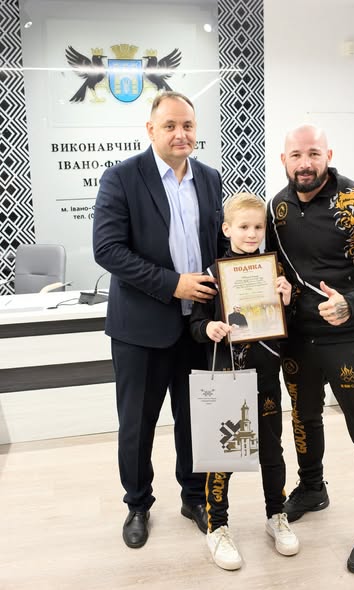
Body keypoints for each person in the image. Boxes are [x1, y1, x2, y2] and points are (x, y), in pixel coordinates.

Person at [266, 124, 354, 575]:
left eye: (313, 153)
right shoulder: (278, 206)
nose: (304, 163)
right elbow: (275, 265)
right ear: (284, 159)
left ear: (328, 154)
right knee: (304, 418)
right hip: (297, 340)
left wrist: (353, 301)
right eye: (296, 155)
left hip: (350, 340)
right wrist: (277, 286)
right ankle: (312, 488)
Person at [93, 91, 228, 548]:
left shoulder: (209, 178)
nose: (180, 133)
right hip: (141, 329)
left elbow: (218, 247)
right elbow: (108, 250)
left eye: (187, 125)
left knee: (195, 420)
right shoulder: (122, 178)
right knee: (138, 424)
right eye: (170, 125)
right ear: (151, 130)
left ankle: (194, 497)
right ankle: (137, 504)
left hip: (198, 327)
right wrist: (173, 284)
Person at [190, 192, 299, 571]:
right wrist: (209, 328)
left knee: (271, 450)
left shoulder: (274, 272)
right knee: (223, 455)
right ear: (227, 229)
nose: (251, 234)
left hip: (266, 375)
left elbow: (287, 325)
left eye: (258, 227)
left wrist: (288, 300)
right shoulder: (211, 274)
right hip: (228, 377)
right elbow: (195, 325)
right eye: (244, 227)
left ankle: (276, 515)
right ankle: (217, 526)